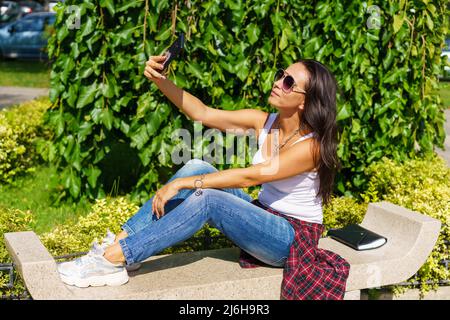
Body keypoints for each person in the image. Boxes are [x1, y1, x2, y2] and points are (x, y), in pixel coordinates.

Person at [57, 55, 341, 290]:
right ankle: (117, 248)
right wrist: (160, 80)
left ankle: (115, 259)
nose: (278, 82)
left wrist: (183, 184)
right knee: (197, 165)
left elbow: (252, 176)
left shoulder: (312, 147)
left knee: (207, 197)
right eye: (281, 74)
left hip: (291, 239)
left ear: (305, 101)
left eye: (289, 82)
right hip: (264, 216)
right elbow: (203, 113)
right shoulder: (264, 121)